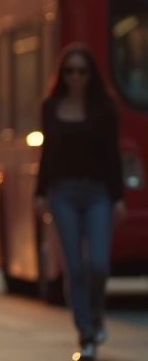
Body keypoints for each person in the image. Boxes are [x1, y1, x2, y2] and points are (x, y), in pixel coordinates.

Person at [33, 45, 125, 361]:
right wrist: (40, 193)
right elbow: (46, 155)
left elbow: (113, 156)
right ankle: (85, 333)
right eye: (70, 71)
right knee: (73, 266)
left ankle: (97, 317)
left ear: (91, 75)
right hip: (63, 195)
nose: (76, 77)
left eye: (82, 71)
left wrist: (119, 197)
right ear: (62, 75)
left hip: (98, 193)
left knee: (97, 264)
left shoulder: (104, 108)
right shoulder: (51, 107)